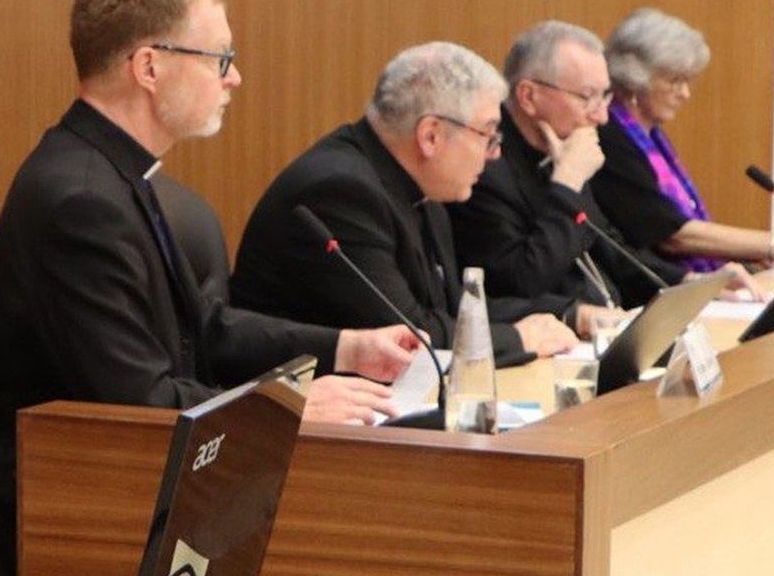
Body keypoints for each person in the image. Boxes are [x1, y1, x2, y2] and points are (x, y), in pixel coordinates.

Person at [0, 0, 420, 576]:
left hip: (131, 482)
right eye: (220, 57)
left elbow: (203, 330)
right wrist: (291, 405)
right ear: (149, 67)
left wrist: (344, 348)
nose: (234, 76)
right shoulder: (82, 198)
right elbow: (139, 401)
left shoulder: (121, 180)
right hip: (87, 511)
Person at [230, 42, 579, 365]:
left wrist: (568, 313)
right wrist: (518, 338)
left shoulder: (417, 181)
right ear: (431, 136)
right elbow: (413, 339)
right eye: (487, 134)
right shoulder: (341, 193)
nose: (496, 153)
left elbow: (450, 308)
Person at [447, 21, 760, 327]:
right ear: (529, 96)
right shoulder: (483, 166)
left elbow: (611, 249)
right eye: (587, 97)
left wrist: (694, 283)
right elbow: (522, 280)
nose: (601, 115)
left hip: (605, 328)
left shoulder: (563, 146)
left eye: (604, 97)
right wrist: (568, 182)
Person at [591, 8, 774, 272]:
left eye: (688, 81)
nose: (685, 94)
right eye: (675, 81)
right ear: (635, 78)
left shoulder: (652, 138)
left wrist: (746, 255)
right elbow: (669, 233)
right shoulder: (608, 136)